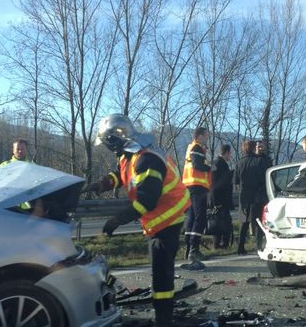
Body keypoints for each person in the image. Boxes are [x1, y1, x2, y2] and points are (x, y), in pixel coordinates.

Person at [92, 114, 190, 327]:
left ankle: (164, 320)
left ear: (115, 140)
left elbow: (146, 201)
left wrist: (116, 221)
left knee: (162, 275)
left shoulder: (148, 160)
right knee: (159, 271)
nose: (108, 149)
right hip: (158, 219)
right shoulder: (130, 154)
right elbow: (121, 174)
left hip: (168, 219)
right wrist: (103, 184)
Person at [182, 127, 212, 262]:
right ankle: (194, 249)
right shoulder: (197, 147)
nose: (207, 138)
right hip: (197, 186)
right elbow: (197, 165)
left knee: (191, 218)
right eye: (206, 135)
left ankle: (189, 248)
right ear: (199, 136)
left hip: (189, 186)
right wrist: (210, 167)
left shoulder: (191, 147)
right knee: (200, 218)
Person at [234, 140, 267, 255]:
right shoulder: (260, 161)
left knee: (244, 222)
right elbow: (264, 179)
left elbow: (236, 181)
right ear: (254, 148)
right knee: (258, 222)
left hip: (244, 196)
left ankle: (240, 247)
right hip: (257, 195)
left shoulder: (239, 163)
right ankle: (259, 246)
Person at [208, 144, 234, 249]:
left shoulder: (218, 163)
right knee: (222, 223)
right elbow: (215, 184)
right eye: (229, 153)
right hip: (220, 200)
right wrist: (216, 202)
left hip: (220, 199)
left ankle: (219, 245)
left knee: (219, 223)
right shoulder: (219, 164)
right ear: (226, 152)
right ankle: (222, 245)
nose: (230, 156)